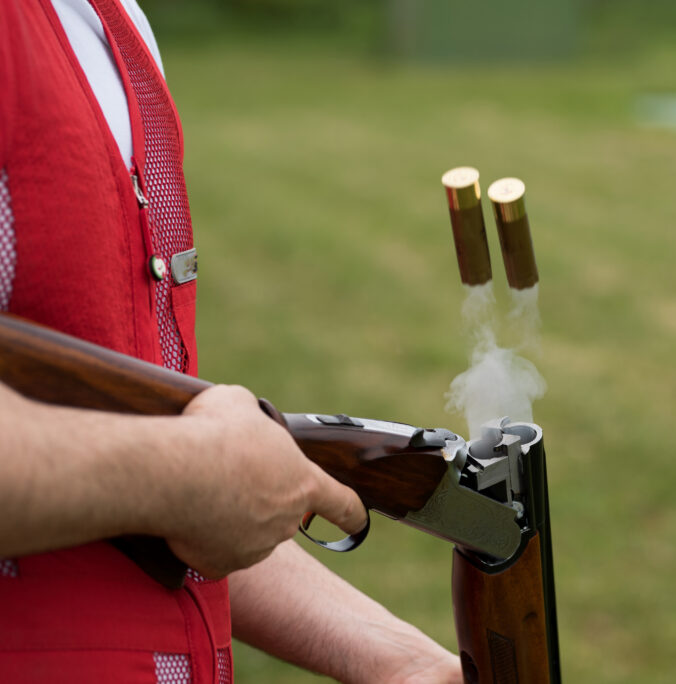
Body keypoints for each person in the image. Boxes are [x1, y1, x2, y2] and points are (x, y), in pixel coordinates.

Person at [0, 1, 462, 682]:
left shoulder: (111, 20)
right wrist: (185, 472)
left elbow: (139, 479)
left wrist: (406, 663)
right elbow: (174, 475)